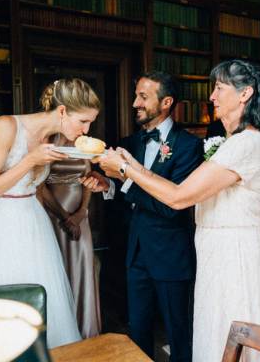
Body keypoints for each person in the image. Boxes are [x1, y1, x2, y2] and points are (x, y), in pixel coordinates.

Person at [89, 60, 260, 362]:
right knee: (211, 330)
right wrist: (130, 166)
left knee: (230, 330)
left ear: (245, 94)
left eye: (219, 88)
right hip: (213, 250)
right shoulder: (231, 143)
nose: (211, 96)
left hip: (233, 253)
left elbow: (177, 197)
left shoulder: (249, 144)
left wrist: (125, 168)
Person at [0, 78, 101, 348]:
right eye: (83, 121)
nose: (86, 130)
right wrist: (30, 160)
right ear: (63, 111)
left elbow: (37, 186)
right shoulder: (6, 126)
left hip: (34, 223)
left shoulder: (54, 138)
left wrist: (91, 185)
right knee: (1, 311)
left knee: (43, 305)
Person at [81, 71, 203, 361]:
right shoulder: (130, 143)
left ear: (166, 102)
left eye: (143, 97)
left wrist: (123, 178)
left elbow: (172, 204)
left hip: (171, 254)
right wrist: (108, 185)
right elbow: (130, 195)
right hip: (135, 252)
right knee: (138, 330)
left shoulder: (189, 146)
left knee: (178, 332)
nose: (135, 102)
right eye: (136, 95)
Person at [37, 134, 102, 339]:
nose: (86, 127)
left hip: (79, 215)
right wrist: (65, 218)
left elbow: (90, 178)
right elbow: (40, 185)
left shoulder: (86, 142)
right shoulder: (45, 140)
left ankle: (85, 329)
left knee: (82, 265)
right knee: (57, 270)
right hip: (52, 216)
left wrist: (82, 212)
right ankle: (61, 334)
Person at [206, 119, 260, 206]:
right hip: (216, 194)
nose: (215, 104)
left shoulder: (256, 127)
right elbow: (207, 159)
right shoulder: (214, 127)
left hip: (248, 197)